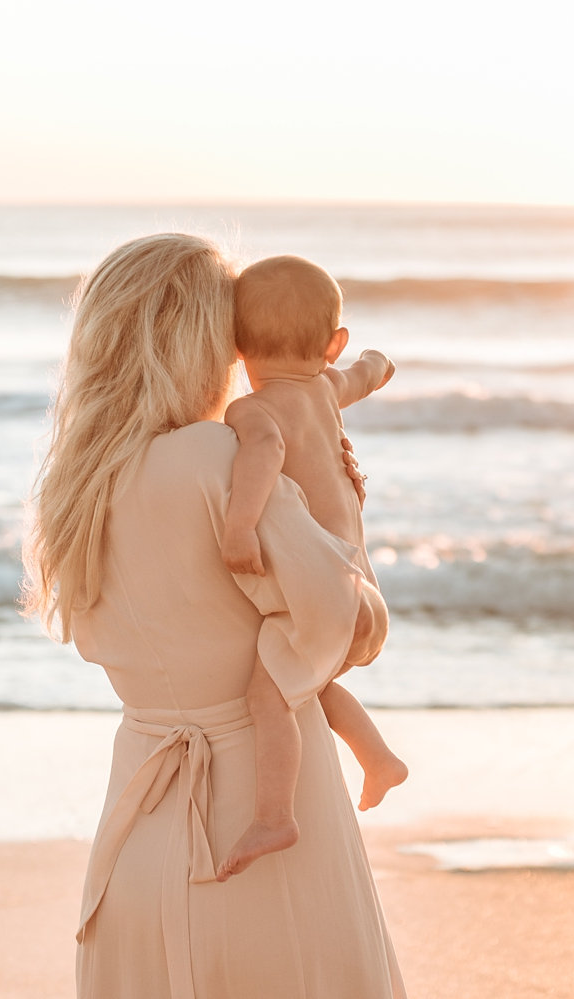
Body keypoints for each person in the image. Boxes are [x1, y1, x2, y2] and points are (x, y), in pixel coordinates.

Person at [23, 233, 405, 999]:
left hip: (138, 819)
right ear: (205, 339)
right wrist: (341, 519)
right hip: (266, 828)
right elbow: (348, 629)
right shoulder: (219, 459)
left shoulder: (75, 487)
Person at [217, 254, 407, 879]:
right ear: (333, 343)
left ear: (235, 344)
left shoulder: (251, 411)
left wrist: (241, 524)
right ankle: (378, 759)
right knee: (312, 683)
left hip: (324, 590)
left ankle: (276, 815)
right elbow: (367, 373)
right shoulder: (329, 389)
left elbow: (266, 451)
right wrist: (378, 364)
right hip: (362, 595)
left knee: (266, 694)